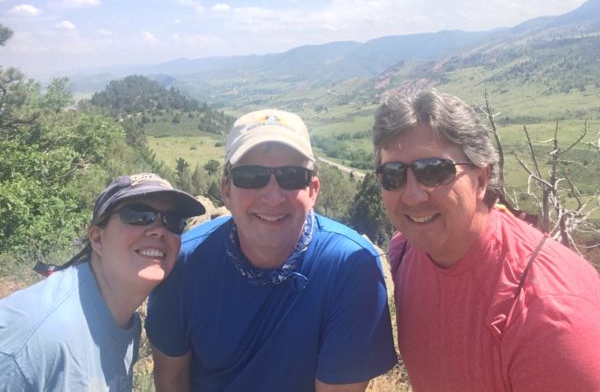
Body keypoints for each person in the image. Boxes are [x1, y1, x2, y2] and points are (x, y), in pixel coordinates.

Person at [146, 109, 397, 392]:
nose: (273, 197)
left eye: (291, 176)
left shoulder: (349, 268)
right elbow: (171, 380)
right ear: (226, 189)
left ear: (313, 190)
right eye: (252, 176)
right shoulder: (184, 263)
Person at [372, 87, 600, 391]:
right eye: (393, 174)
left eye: (433, 172)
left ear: (481, 179)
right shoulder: (404, 252)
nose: (412, 196)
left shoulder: (549, 316)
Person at [0, 173, 205, 391]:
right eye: (139, 215)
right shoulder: (34, 342)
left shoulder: (125, 322)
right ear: (97, 239)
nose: (160, 230)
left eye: (173, 221)